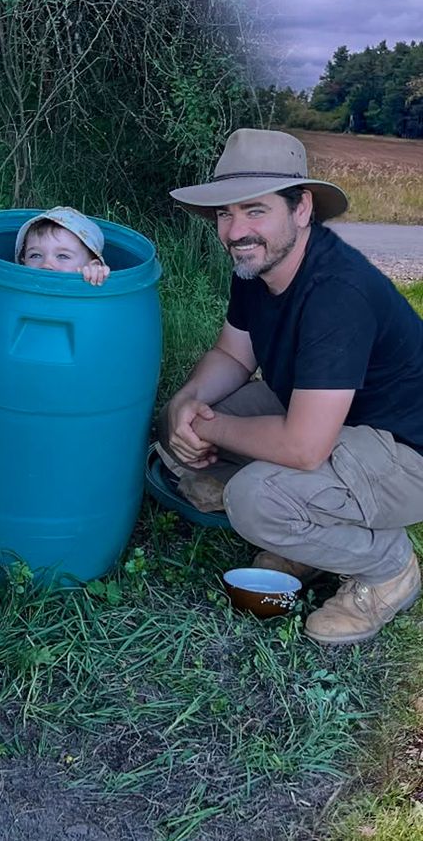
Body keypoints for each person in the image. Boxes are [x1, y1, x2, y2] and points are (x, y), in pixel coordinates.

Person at [158, 127, 423, 645]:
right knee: (174, 445)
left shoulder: (336, 294)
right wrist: (185, 404)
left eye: (254, 210)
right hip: (327, 415)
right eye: (224, 213)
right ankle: (310, 535)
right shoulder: (257, 263)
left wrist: (214, 428)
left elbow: (303, 447)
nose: (235, 231)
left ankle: (389, 567)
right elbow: (233, 354)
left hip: (404, 451)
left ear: (301, 208)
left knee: (255, 500)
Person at [0, 206, 111, 286]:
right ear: (22, 261)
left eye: (63, 256)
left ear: (90, 264)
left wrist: (95, 275)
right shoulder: (18, 283)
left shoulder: (89, 276)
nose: (46, 265)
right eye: (35, 255)